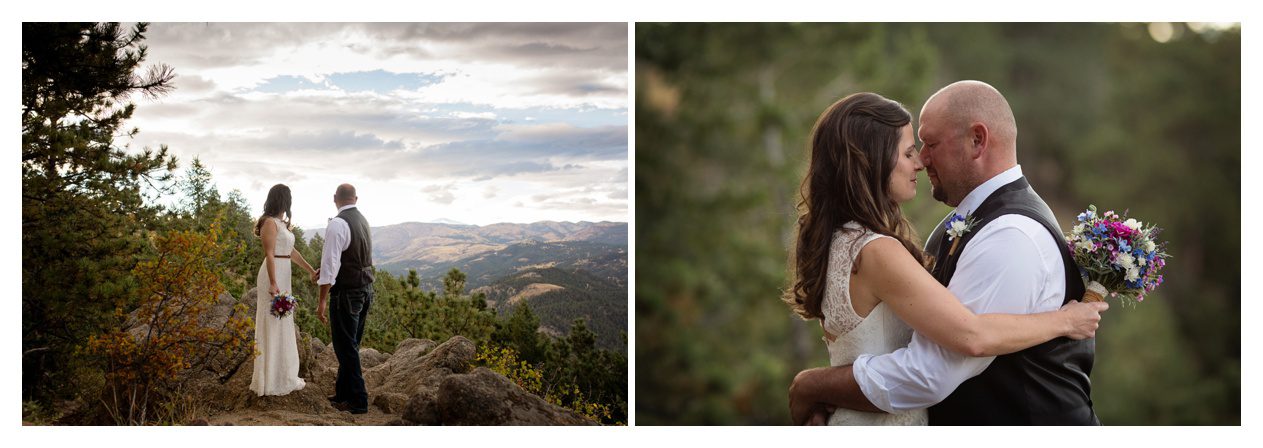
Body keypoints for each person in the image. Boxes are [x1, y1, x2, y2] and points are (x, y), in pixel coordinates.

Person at [784, 87, 1106, 425]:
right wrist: (1064, 321)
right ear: (871, 160)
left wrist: (819, 387)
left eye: (929, 145)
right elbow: (971, 336)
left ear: (977, 141)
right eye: (910, 151)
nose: (921, 161)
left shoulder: (1011, 233)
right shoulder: (880, 247)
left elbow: (935, 370)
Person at [250, 184, 317, 396]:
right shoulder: (269, 222)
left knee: (283, 321)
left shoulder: (282, 224)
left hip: (284, 273)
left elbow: (291, 252)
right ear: (283, 200)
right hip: (273, 274)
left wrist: (309, 270)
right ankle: (268, 380)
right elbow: (270, 254)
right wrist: (272, 281)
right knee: (272, 322)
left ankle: (282, 374)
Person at [316, 183, 375, 414]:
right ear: (356, 198)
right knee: (351, 345)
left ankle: (359, 401)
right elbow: (351, 257)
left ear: (334, 198)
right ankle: (343, 394)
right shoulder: (363, 220)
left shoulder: (337, 224)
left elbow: (330, 265)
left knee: (345, 348)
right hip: (365, 288)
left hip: (347, 293)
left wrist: (322, 300)